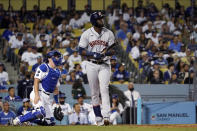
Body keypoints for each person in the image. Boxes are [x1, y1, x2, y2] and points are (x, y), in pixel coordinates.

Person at [78, 12, 116, 126]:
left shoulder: (108, 33)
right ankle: (98, 118)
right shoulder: (86, 34)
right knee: (94, 92)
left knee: (104, 89)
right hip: (91, 64)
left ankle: (106, 116)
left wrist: (105, 54)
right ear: (94, 21)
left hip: (104, 64)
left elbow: (113, 50)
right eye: (99, 19)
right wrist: (93, 54)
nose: (102, 20)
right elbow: (81, 50)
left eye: (102, 19)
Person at [11, 50, 62, 126]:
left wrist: (57, 103)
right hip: (38, 92)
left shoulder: (58, 72)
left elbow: (55, 89)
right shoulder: (44, 67)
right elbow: (36, 81)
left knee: (50, 122)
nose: (57, 58)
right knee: (40, 112)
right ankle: (18, 120)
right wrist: (37, 95)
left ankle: (29, 121)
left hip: (47, 96)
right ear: (49, 58)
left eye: (58, 56)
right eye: (55, 56)